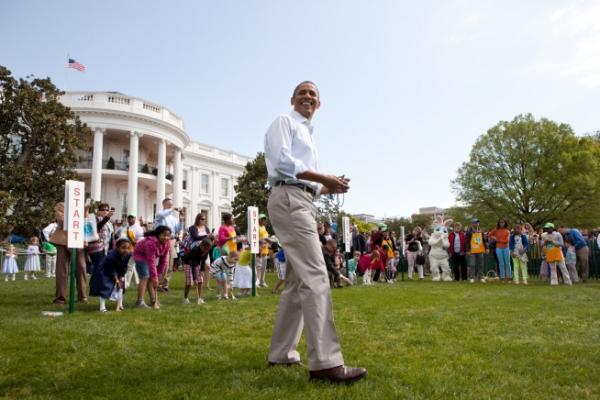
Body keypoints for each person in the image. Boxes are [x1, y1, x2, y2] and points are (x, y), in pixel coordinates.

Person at [263, 81, 366, 383]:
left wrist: (326, 186)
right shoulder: (284, 122)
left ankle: (281, 353)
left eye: (313, 94)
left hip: (302, 199)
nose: (308, 97)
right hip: (290, 199)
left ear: (318, 104)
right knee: (317, 276)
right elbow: (283, 164)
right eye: (303, 93)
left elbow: (304, 180)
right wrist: (324, 176)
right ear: (292, 100)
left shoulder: (309, 135)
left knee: (297, 282)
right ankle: (325, 363)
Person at [50, 202, 88, 305]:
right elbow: (62, 221)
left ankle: (83, 296)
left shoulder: (81, 205)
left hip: (78, 239)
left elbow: (85, 221)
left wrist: (85, 210)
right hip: (62, 240)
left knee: (81, 268)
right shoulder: (61, 205)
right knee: (62, 270)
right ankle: (60, 298)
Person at [133, 225, 172, 309]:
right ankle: (140, 302)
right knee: (145, 276)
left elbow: (163, 260)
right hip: (140, 255)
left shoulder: (167, 243)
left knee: (152, 279)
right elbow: (151, 261)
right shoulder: (151, 243)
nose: (166, 237)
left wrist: (158, 275)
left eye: (168, 236)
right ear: (158, 234)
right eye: (164, 235)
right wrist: (154, 277)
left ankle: (154, 300)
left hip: (149, 257)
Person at [90, 238, 132, 312]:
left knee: (121, 287)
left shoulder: (128, 255)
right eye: (123, 248)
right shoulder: (112, 256)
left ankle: (120, 305)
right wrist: (116, 280)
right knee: (105, 288)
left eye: (128, 248)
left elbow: (124, 267)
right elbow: (112, 269)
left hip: (118, 272)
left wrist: (121, 277)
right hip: (105, 271)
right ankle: (102, 307)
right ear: (117, 248)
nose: (126, 250)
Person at [154, 198, 182, 292]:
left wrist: (181, 219)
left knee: (170, 263)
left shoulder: (173, 218)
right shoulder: (159, 214)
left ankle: (165, 284)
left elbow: (177, 229)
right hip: (161, 240)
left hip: (172, 240)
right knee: (162, 262)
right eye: (169, 204)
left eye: (172, 204)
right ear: (164, 204)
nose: (171, 206)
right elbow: (163, 214)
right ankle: (157, 283)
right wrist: (173, 209)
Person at [182, 238, 211, 305]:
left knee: (200, 280)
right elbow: (192, 265)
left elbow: (203, 261)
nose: (206, 251)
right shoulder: (195, 250)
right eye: (205, 249)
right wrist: (195, 279)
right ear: (201, 245)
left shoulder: (206, 251)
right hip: (188, 264)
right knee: (189, 283)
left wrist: (202, 270)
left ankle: (199, 298)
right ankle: (185, 298)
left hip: (197, 264)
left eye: (207, 249)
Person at [124, 215, 144, 289]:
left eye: (132, 218)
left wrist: (135, 244)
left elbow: (141, 238)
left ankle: (126, 283)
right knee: (132, 266)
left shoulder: (137, 227)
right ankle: (137, 282)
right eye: (129, 218)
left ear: (135, 219)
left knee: (130, 265)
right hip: (131, 248)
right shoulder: (128, 227)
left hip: (137, 249)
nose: (130, 219)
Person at [466, 218, 486, 283]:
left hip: (480, 250)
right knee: (472, 264)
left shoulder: (481, 231)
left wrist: (487, 248)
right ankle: (472, 277)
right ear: (472, 223)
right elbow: (467, 242)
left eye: (477, 222)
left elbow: (484, 240)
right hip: (472, 250)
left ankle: (481, 277)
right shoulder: (469, 231)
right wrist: (468, 250)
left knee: (481, 264)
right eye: (475, 222)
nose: (476, 224)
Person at [256, 214, 270, 288]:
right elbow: (256, 238)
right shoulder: (257, 227)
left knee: (263, 267)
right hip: (259, 249)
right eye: (263, 219)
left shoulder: (264, 227)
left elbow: (265, 237)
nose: (265, 221)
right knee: (258, 267)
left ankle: (262, 281)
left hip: (265, 249)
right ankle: (257, 282)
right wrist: (262, 241)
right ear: (259, 220)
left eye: (265, 219)